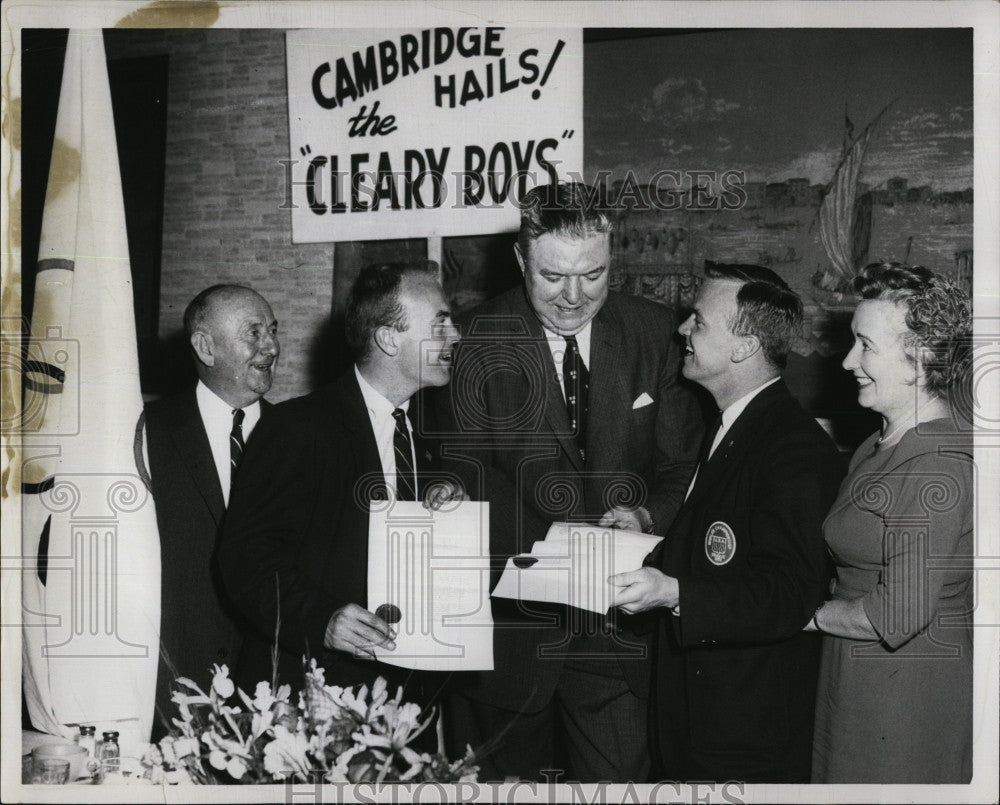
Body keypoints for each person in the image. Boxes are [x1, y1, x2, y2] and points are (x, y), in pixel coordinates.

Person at [440, 182, 703, 782]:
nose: (574, 296)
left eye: (593, 274)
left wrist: (644, 517)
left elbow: (679, 464)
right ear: (520, 261)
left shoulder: (655, 331)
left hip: (616, 634)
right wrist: (554, 552)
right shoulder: (472, 338)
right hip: (508, 635)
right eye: (552, 277)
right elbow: (462, 474)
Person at [611, 263, 844, 783]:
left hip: (743, 740)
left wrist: (674, 593)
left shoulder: (794, 449)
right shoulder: (729, 425)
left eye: (698, 321)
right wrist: (646, 545)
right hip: (700, 725)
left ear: (744, 348)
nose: (682, 331)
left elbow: (790, 592)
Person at [217, 263, 462, 723]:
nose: (455, 337)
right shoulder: (297, 428)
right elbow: (245, 561)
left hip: (404, 700)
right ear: (389, 339)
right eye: (441, 323)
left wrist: (447, 505)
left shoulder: (429, 435)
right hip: (308, 700)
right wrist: (323, 619)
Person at [809, 263, 973, 783]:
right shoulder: (880, 442)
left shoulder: (936, 463)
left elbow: (895, 615)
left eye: (865, 345)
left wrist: (801, 614)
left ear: (920, 359)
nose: (847, 360)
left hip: (904, 697)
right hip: (860, 675)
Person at [140, 284, 279, 738]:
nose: (271, 347)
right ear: (205, 346)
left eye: (272, 332)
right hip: (172, 692)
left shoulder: (301, 437)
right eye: (253, 334)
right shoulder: (147, 434)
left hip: (275, 697)